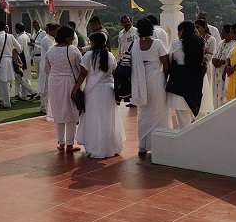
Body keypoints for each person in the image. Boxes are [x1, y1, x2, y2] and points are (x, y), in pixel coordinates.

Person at [74, 32, 125, 158]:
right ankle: (110, 146)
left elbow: (82, 74)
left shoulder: (88, 56)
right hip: (108, 91)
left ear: (94, 42)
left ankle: (95, 147)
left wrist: (75, 89)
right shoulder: (110, 55)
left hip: (93, 92)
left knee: (94, 119)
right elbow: (114, 72)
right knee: (108, 119)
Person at [130, 18, 170, 157]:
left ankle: (142, 146)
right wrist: (166, 79)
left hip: (140, 82)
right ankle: (160, 145)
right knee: (159, 112)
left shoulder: (135, 44)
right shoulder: (157, 43)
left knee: (143, 114)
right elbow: (166, 64)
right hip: (156, 81)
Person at [43, 26, 81, 152]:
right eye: (71, 37)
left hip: (54, 82)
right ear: (67, 37)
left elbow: (47, 70)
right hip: (69, 82)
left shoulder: (50, 51)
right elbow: (81, 67)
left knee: (58, 112)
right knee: (71, 112)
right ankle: (70, 144)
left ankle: (61, 142)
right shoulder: (73, 50)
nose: (72, 39)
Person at [167, 21, 205, 129]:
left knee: (182, 119)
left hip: (180, 84)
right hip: (194, 82)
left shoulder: (176, 44)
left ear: (182, 31)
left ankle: (186, 141)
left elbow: (170, 60)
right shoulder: (200, 42)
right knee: (191, 113)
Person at [0, 20, 22, 108]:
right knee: (6, 82)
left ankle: (6, 103)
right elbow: (19, 49)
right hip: (9, 61)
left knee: (3, 82)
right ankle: (2, 100)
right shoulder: (10, 36)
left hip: (1, 61)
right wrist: (13, 52)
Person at [195, 18, 217, 117]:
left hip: (206, 65)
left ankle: (206, 108)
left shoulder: (211, 39)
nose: (196, 29)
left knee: (207, 85)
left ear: (204, 27)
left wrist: (201, 59)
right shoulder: (195, 38)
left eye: (198, 27)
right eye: (195, 27)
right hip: (196, 66)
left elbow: (210, 54)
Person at [211, 25, 233, 109]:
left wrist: (222, 62)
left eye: (223, 32)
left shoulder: (233, 44)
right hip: (217, 71)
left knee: (224, 92)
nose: (221, 33)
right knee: (216, 91)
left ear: (228, 33)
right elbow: (215, 54)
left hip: (224, 72)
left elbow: (229, 58)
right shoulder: (221, 42)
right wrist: (215, 61)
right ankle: (216, 109)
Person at [38, 23, 58, 114]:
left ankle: (46, 107)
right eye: (56, 30)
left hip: (50, 66)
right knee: (45, 87)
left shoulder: (52, 39)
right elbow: (52, 52)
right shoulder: (47, 40)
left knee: (48, 87)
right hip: (46, 66)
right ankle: (44, 107)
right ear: (52, 30)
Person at [13, 24, 36, 100]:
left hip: (22, 59)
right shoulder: (26, 36)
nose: (15, 30)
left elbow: (19, 50)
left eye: (16, 28)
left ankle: (32, 91)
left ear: (18, 29)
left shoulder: (20, 37)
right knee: (25, 77)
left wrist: (17, 61)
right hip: (27, 57)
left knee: (20, 78)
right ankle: (23, 95)